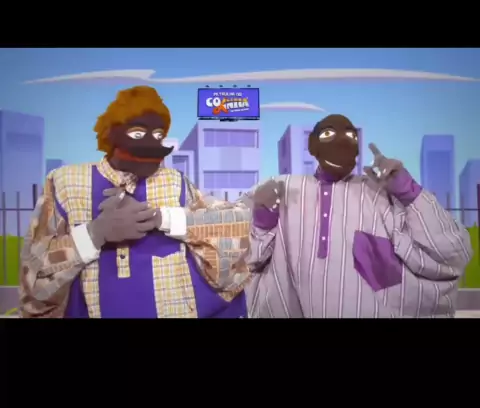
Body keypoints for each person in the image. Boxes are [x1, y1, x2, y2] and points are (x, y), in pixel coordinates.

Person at [19, 86, 251, 318]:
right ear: (111, 133)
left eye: (159, 135)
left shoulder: (174, 181)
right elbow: (34, 277)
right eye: (138, 134)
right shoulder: (66, 182)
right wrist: (95, 233)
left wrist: (162, 218)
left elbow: (232, 224)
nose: (152, 143)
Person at [246, 114, 473, 319]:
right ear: (312, 146)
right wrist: (262, 222)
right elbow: (239, 263)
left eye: (350, 136)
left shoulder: (381, 193)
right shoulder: (281, 188)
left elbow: (452, 253)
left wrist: (409, 192)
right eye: (328, 134)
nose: (341, 142)